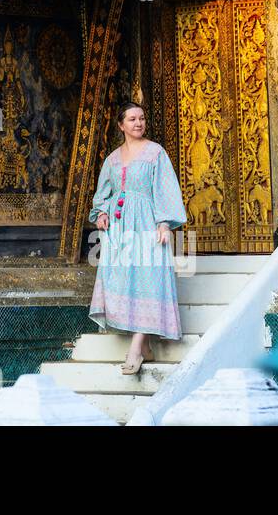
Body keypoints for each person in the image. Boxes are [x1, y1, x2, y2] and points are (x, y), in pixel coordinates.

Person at [88, 101, 188, 374]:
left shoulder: (156, 153)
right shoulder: (112, 159)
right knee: (125, 277)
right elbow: (103, 194)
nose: (138, 123)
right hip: (120, 228)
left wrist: (163, 222)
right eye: (131, 119)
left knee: (150, 275)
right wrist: (100, 214)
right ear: (121, 125)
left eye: (141, 118)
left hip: (147, 222)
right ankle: (144, 346)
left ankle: (136, 348)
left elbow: (164, 188)